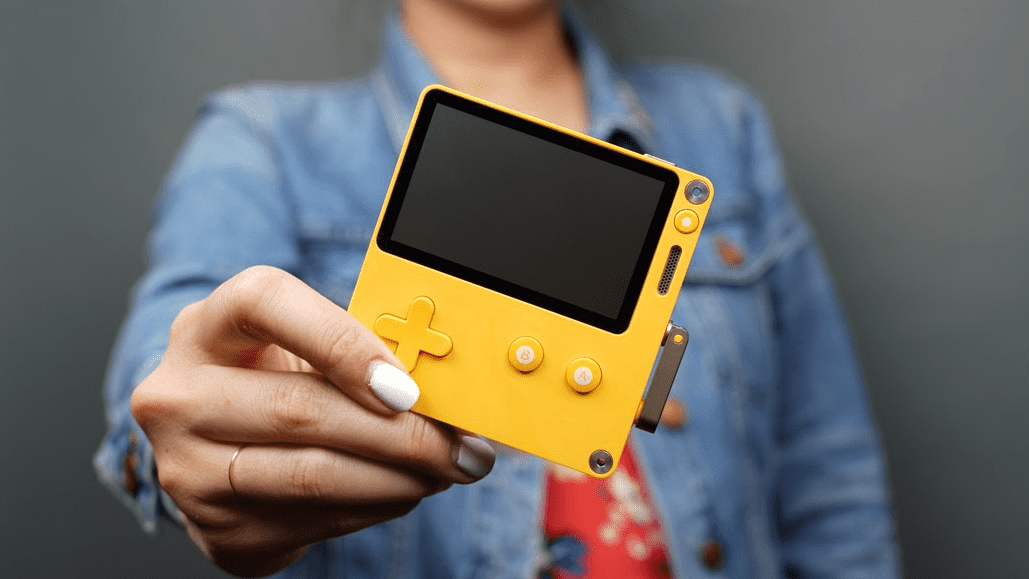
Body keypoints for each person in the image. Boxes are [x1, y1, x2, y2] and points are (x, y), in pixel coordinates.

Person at [95, 0, 900, 577]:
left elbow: (830, 485)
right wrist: (192, 435)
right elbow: (169, 366)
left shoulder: (721, 123)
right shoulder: (264, 142)